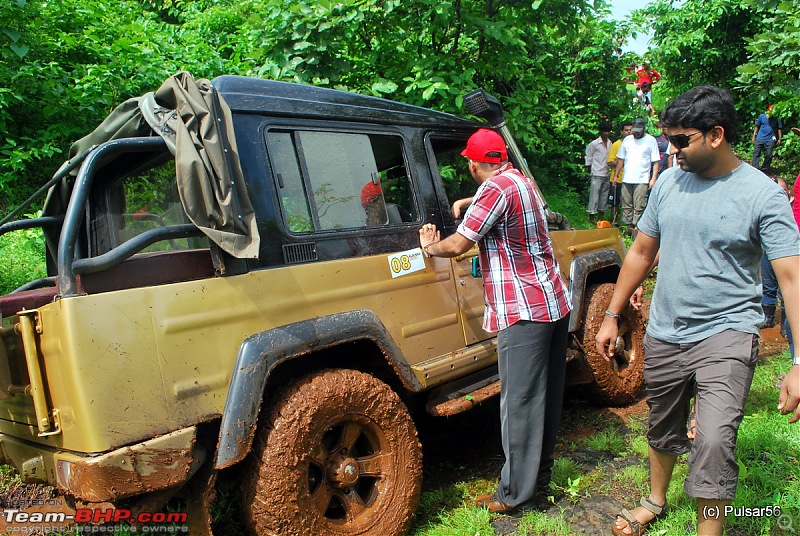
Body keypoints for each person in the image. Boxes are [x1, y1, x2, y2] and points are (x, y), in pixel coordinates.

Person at [596, 86, 800, 536]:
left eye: (681, 139)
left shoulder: (762, 195)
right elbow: (642, 250)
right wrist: (612, 314)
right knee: (663, 424)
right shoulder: (669, 180)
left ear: (716, 135)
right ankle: (655, 499)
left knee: (713, 439)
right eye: (668, 138)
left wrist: (799, 362)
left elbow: (791, 278)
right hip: (666, 330)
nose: (672, 149)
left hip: (727, 332)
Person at [418, 128, 571, 515]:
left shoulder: (494, 191)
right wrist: (469, 200)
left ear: (472, 163)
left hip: (522, 311)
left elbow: (457, 245)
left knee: (518, 403)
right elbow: (503, 194)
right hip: (552, 304)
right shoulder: (521, 181)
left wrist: (428, 246)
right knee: (546, 398)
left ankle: (514, 494)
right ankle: (539, 479)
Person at [611, 118, 660, 236]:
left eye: (639, 131)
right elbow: (621, 159)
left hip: (642, 179)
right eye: (634, 131)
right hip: (627, 178)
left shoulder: (650, 140)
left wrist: (653, 179)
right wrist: (615, 175)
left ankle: (637, 228)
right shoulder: (627, 140)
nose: (636, 133)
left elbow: (656, 161)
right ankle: (628, 227)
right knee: (626, 204)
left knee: (639, 205)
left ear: (644, 129)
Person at [585, 121, 613, 225]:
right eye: (604, 131)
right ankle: (591, 218)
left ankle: (601, 218)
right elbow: (588, 157)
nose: (606, 133)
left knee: (604, 196)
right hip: (596, 173)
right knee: (594, 196)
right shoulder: (594, 144)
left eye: (608, 131)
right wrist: (589, 171)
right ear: (600, 132)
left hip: (606, 173)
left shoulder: (610, 144)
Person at [608, 121, 633, 226]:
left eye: (631, 130)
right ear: (622, 131)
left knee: (628, 203)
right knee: (615, 203)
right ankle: (615, 222)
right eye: (626, 130)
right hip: (617, 179)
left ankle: (628, 224)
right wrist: (622, 162)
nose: (629, 132)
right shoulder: (616, 145)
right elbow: (610, 162)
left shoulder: (636, 144)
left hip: (631, 179)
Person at [751, 104, 782, 174]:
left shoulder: (777, 118)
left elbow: (779, 128)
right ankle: (755, 168)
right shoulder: (762, 116)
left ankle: (764, 169)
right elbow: (757, 126)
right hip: (760, 138)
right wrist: (754, 136)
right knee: (756, 153)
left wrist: (779, 138)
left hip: (770, 139)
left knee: (769, 154)